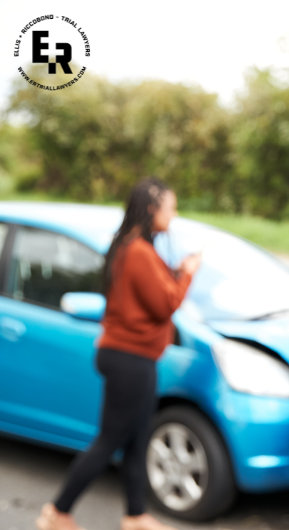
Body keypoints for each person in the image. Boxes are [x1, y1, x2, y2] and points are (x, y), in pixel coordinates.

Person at [36, 178, 201, 530]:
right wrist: (187, 274)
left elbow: (148, 292)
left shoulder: (132, 247)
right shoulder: (137, 251)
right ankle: (57, 511)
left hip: (135, 356)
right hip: (130, 357)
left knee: (138, 439)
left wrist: (174, 272)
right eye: (170, 207)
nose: (173, 214)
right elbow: (165, 303)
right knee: (110, 439)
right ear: (152, 207)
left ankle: (135, 515)